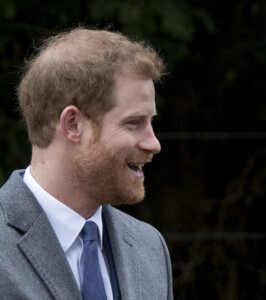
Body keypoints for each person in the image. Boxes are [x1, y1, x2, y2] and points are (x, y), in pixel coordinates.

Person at [0, 28, 173, 300]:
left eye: (150, 122)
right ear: (73, 125)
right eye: (133, 123)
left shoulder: (149, 248)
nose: (154, 144)